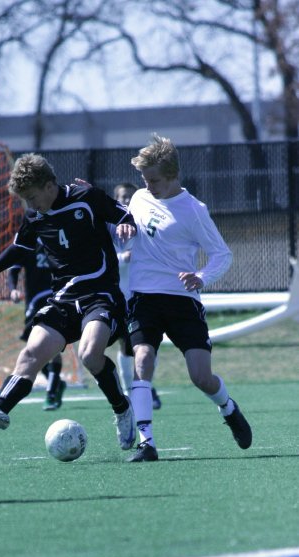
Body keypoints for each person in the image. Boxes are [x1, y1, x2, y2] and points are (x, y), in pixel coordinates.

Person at [0, 152, 136, 452]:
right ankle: (0, 407)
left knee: (90, 354)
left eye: (32, 197)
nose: (30, 205)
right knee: (32, 351)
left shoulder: (86, 196)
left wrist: (126, 223)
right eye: (24, 200)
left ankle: (122, 409)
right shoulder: (34, 215)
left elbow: (124, 214)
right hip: (64, 298)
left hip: (101, 294)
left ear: (49, 185)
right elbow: (19, 249)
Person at [118, 133, 252, 462]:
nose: (148, 186)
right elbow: (124, 222)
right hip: (143, 296)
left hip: (182, 299)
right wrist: (123, 227)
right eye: (145, 180)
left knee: (200, 377)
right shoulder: (138, 199)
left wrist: (201, 277)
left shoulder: (194, 210)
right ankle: (146, 442)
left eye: (155, 180)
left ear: (174, 175)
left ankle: (228, 408)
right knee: (143, 359)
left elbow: (222, 255)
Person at [113, 182, 161, 409]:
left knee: (148, 344)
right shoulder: (111, 226)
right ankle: (126, 390)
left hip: (144, 294)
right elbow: (106, 259)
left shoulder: (143, 223)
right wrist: (124, 258)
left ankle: (147, 387)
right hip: (121, 297)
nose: (125, 200)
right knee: (125, 345)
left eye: (129, 197)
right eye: (122, 197)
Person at [7, 243, 66, 410]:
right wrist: (12, 289)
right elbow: (13, 269)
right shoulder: (27, 242)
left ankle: (51, 392)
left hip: (58, 298)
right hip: (34, 302)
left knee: (54, 344)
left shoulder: (60, 236)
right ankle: (57, 384)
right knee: (34, 350)